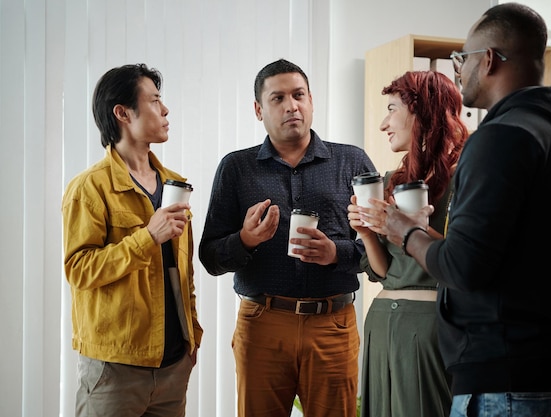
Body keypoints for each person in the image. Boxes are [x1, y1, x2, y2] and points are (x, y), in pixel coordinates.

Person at [369, 3, 551, 417]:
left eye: (462, 59)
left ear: (489, 60)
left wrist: (407, 232)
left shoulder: (500, 139)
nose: (458, 70)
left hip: (507, 375)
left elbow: (464, 266)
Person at [199, 58, 376, 417]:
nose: (291, 106)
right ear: (258, 109)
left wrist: (335, 253)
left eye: (298, 95)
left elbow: (380, 252)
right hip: (263, 322)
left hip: (333, 324)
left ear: (312, 100)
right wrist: (246, 239)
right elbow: (210, 257)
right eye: (277, 98)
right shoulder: (236, 167)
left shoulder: (352, 162)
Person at [62, 63, 203, 417]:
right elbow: (79, 270)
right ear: (123, 113)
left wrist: (193, 334)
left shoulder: (175, 184)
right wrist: (146, 237)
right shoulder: (90, 187)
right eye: (155, 101)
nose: (165, 110)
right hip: (114, 369)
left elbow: (180, 269)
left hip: (173, 365)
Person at [349, 70, 468, 417]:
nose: (384, 123)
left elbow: (464, 259)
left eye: (392, 109)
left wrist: (411, 229)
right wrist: (368, 232)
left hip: (428, 323)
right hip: (381, 321)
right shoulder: (391, 181)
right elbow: (384, 271)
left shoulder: (463, 176)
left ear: (423, 111)